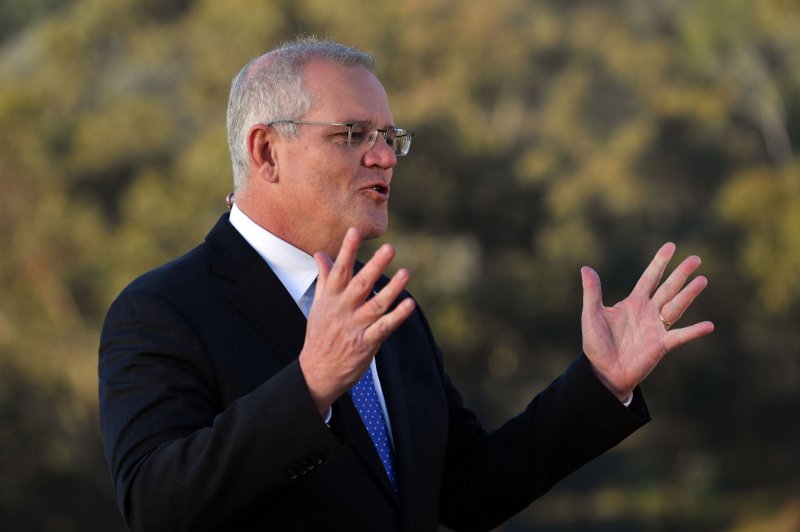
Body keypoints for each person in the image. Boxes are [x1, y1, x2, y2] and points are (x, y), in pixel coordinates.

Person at [98, 36, 714, 532]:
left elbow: (468, 491)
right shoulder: (162, 310)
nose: (385, 157)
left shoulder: (388, 308)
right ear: (266, 153)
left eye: (390, 139)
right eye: (352, 135)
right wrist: (311, 385)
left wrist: (600, 383)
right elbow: (156, 505)